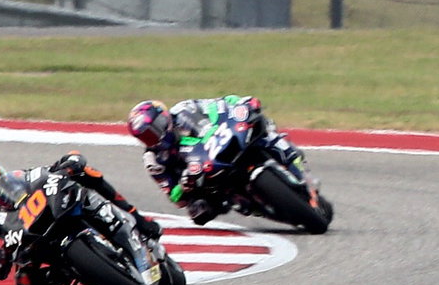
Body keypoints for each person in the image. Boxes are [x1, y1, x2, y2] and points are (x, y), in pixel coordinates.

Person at [0, 153, 161, 285]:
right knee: (26, 284)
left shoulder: (25, 178)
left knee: (86, 174)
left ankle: (136, 218)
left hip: (59, 212)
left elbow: (60, 166)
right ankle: (71, 272)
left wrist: (68, 165)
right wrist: (6, 251)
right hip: (33, 242)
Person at [127, 95, 310, 225]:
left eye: (155, 129)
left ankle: (297, 167)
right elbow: (174, 197)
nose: (154, 137)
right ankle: (254, 204)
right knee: (199, 212)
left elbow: (219, 105)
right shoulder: (153, 160)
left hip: (225, 142)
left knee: (264, 129)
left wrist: (238, 102)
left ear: (164, 117)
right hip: (208, 178)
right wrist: (183, 186)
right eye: (146, 137)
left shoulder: (185, 110)